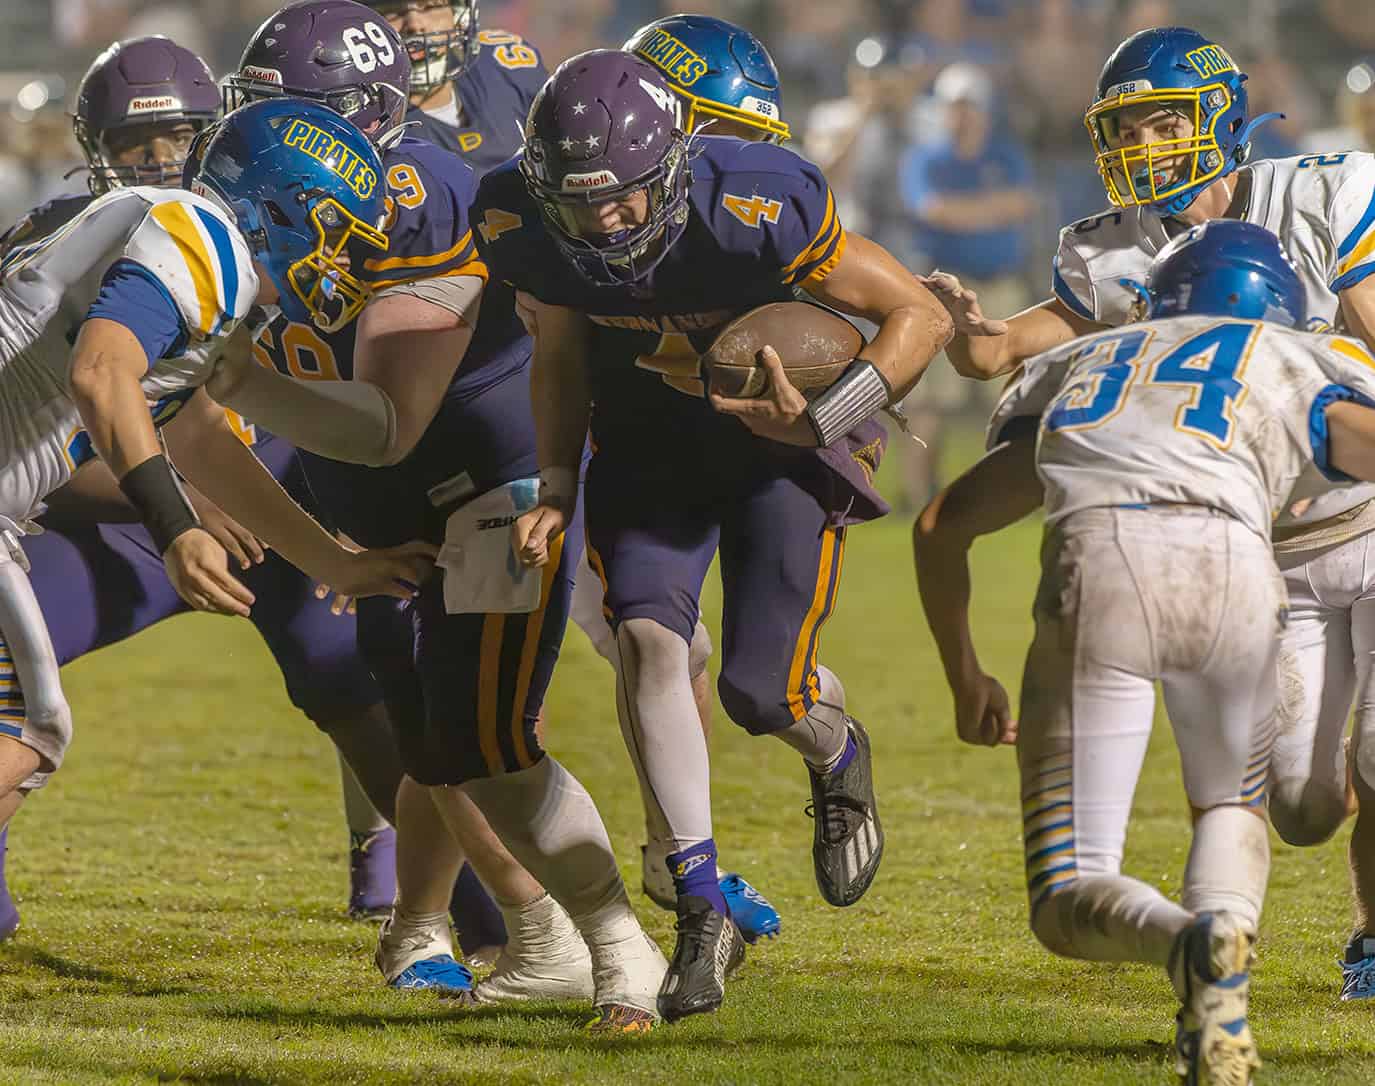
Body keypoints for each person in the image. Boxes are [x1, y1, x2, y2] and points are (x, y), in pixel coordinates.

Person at [473, 49, 952, 1021]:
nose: (604, 220)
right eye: (580, 201)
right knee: (649, 644)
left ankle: (833, 750)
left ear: (677, 167)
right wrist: (557, 482)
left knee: (758, 693)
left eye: (624, 197)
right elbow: (560, 358)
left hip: (778, 452)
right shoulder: (525, 225)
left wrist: (822, 417)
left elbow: (918, 313)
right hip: (646, 447)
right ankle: (700, 907)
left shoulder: (753, 201)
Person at [217, 1, 667, 1030]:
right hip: (370, 508)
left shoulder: (420, 193)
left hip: (491, 490)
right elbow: (205, 427)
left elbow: (388, 419)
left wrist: (233, 379)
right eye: (254, 109)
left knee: (487, 737)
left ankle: (619, 948)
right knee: (430, 738)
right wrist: (320, 547)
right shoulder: (241, 199)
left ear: (360, 119)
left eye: (290, 117)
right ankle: (542, 941)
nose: (255, 140)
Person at [923, 25, 1375, 1000]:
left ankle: (1368, 943)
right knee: (1299, 805)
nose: (1139, 146)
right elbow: (1005, 349)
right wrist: (972, 339)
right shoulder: (1115, 251)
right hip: (1267, 546)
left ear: (1218, 113)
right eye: (1122, 128)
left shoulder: (1319, 194)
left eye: (1161, 121)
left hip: (1368, 503)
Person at [0, 34, 414, 932]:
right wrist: (173, 527)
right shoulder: (204, 236)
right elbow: (103, 377)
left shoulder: (173, 245)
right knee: (29, 734)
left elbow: (191, 430)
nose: (341, 256)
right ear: (280, 206)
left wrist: (331, 564)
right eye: (334, 227)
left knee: (27, 733)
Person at [896, 60, 1035, 505]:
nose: (963, 115)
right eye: (955, 107)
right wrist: (988, 210)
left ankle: (1010, 491)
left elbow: (1023, 203)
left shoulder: (1006, 155)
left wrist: (963, 213)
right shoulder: (924, 159)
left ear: (985, 110)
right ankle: (920, 496)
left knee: (1011, 393)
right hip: (941, 290)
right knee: (927, 400)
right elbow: (932, 210)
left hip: (1000, 286)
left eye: (970, 106)